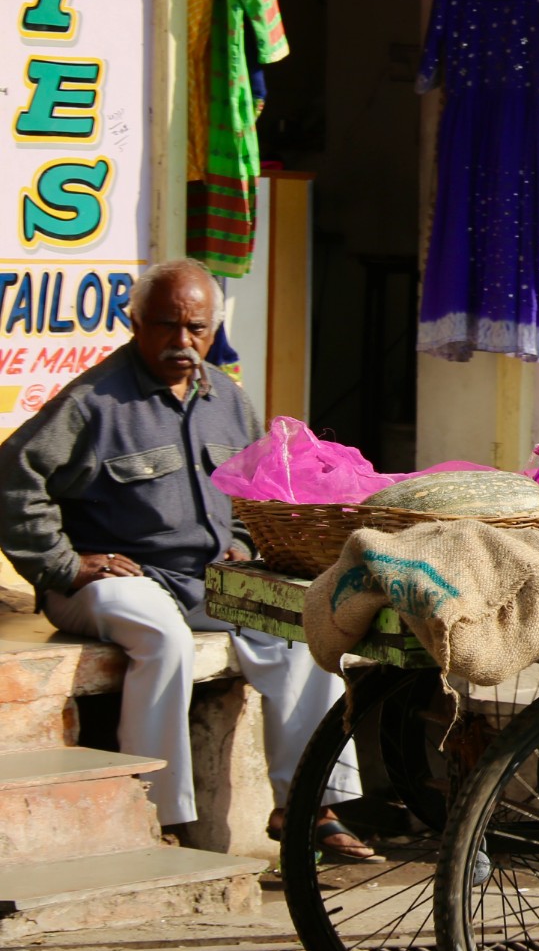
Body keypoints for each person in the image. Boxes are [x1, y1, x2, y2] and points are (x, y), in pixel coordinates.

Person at [0, 259, 368, 858]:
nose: (182, 341)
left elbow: (259, 493)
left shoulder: (228, 399)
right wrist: (63, 565)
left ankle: (306, 805)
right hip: (111, 581)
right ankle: (155, 813)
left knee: (303, 627)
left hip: (205, 580)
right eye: (166, 325)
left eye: (196, 327)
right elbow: (14, 479)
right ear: (135, 322)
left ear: (212, 329)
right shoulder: (93, 401)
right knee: (161, 636)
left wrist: (245, 544)